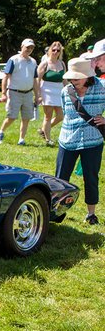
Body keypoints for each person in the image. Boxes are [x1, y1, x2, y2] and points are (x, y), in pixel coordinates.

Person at [55, 58, 105, 225]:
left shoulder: (102, 88)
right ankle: (56, 211)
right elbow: (65, 113)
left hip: (93, 141)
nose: (72, 81)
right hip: (68, 140)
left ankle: (91, 214)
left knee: (91, 177)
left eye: (76, 78)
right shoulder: (66, 91)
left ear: (87, 76)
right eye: (71, 78)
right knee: (61, 178)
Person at [0, 38, 41, 145]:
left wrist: (37, 95)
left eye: (31, 48)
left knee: (26, 118)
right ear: (22, 47)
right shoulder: (14, 60)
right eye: (27, 47)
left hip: (28, 93)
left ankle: (21, 139)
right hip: (14, 92)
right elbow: (6, 77)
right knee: (12, 116)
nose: (29, 49)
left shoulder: (33, 62)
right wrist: (3, 93)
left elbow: (34, 80)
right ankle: (0, 132)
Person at [37, 41, 66, 146]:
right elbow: (38, 80)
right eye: (53, 50)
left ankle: (43, 130)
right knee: (48, 116)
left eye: (58, 50)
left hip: (59, 91)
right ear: (50, 50)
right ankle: (48, 140)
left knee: (61, 115)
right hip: (47, 91)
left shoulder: (62, 63)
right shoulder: (45, 63)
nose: (55, 52)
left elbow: (64, 79)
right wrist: (38, 95)